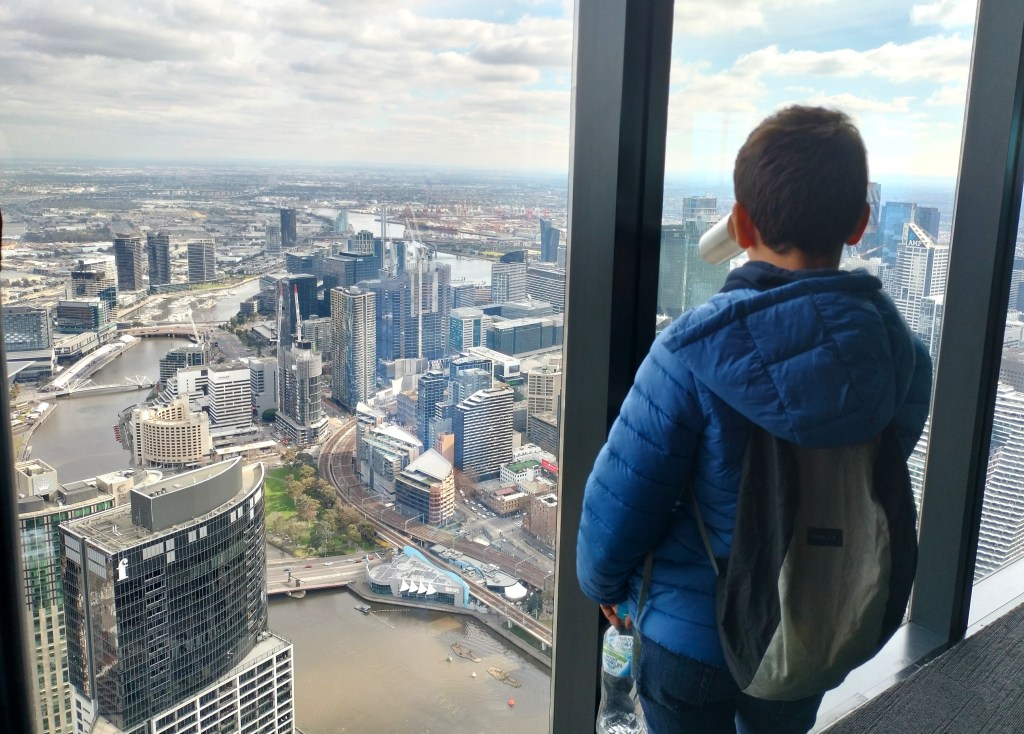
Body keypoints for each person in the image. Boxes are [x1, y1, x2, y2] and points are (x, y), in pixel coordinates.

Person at [576, 105, 933, 734]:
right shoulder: (896, 346)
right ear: (859, 224)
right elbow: (877, 462)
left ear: (740, 224)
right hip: (810, 620)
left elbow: (623, 494)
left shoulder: (691, 349)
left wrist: (605, 583)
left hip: (692, 635)